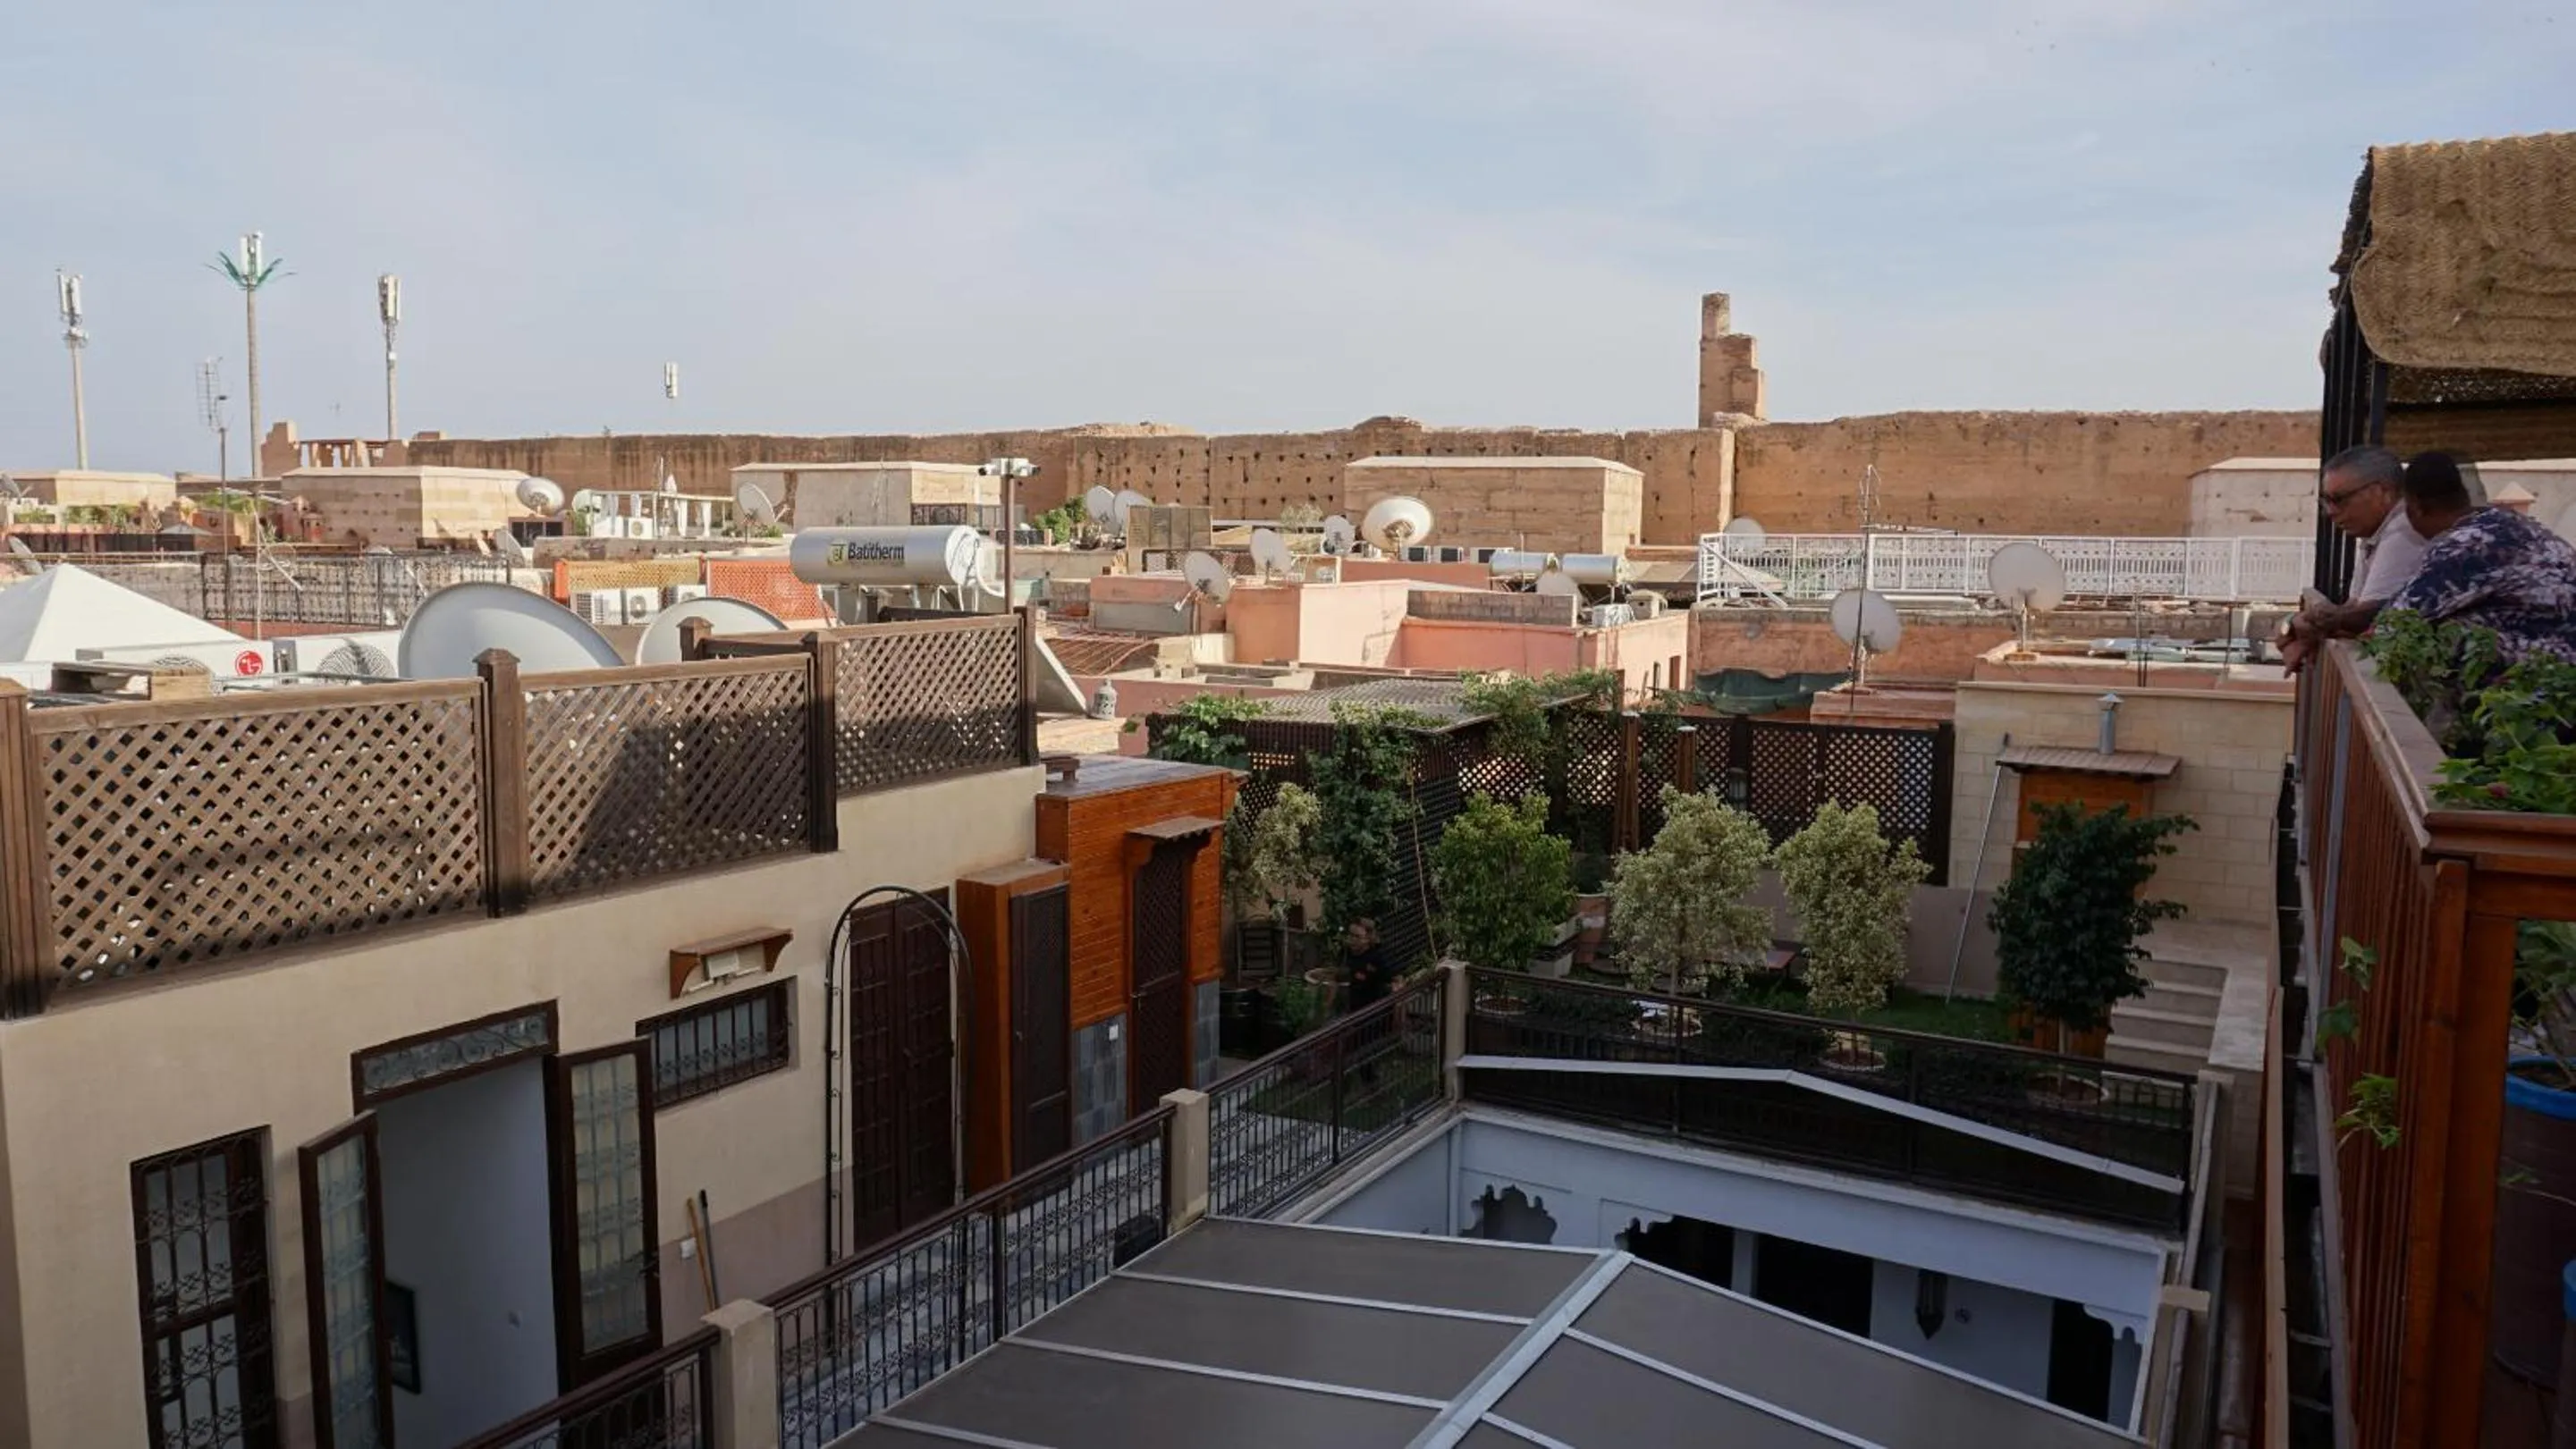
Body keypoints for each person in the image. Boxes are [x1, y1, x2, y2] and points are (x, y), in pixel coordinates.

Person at [2309, 451, 2576, 666]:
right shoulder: (2512, 524)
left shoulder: (2462, 549)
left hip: (2544, 700)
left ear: (2414, 507)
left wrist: (2319, 623)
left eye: (2338, 499)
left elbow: (2391, 626)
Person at [2280, 446, 2426, 674]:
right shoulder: (2377, 533)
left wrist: (2295, 627)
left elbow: (2365, 621)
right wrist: (2304, 628)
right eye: (2324, 501)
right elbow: (2351, 610)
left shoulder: (2405, 531)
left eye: (2338, 499)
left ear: (2382, 492)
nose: (2329, 512)